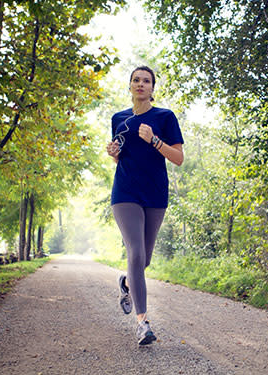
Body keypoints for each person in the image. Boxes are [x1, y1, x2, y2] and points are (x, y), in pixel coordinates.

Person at [106, 66, 184, 345]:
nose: (141, 84)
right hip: (125, 192)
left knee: (143, 260)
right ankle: (143, 323)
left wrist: (154, 139)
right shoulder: (118, 118)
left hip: (155, 194)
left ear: (152, 88)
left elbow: (177, 158)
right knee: (136, 253)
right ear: (130, 86)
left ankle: (127, 283)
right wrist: (114, 154)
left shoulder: (164, 117)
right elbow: (121, 158)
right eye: (136, 80)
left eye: (146, 81)